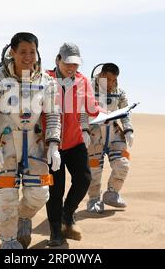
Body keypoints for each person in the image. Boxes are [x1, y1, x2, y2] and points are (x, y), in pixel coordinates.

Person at [0, 32, 62, 249]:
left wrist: (53, 144)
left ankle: (23, 218)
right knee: (6, 196)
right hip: (5, 146)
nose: (28, 56)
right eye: (23, 52)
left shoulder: (47, 82)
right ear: (12, 52)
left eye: (32, 52)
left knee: (40, 194)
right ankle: (8, 241)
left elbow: (53, 115)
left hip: (35, 144)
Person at [45, 43, 105, 247]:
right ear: (58, 60)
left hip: (75, 141)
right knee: (56, 189)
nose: (72, 68)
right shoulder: (44, 78)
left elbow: (91, 108)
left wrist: (105, 113)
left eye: (76, 64)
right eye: (68, 63)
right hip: (50, 144)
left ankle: (67, 214)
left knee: (84, 179)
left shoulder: (82, 80)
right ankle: (55, 232)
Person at [83, 63, 134, 214]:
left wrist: (128, 130)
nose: (111, 83)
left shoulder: (119, 93)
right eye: (108, 79)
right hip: (94, 135)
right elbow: (82, 112)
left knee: (122, 164)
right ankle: (94, 199)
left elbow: (125, 113)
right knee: (94, 170)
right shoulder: (88, 90)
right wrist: (84, 130)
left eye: (114, 80)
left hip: (113, 134)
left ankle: (112, 193)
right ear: (101, 75)